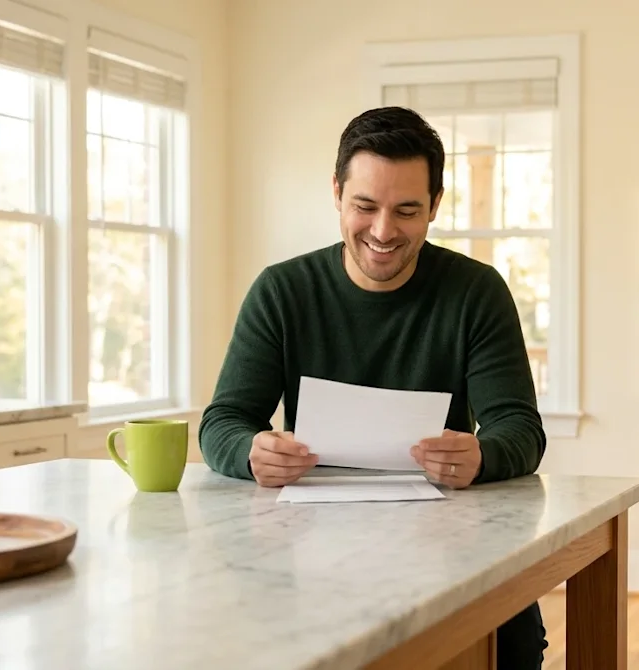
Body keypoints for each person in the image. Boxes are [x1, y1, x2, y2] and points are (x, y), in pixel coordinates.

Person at [198, 106, 549, 667]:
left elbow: (520, 429)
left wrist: (482, 455)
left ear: (435, 205)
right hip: (307, 538)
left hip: (447, 534)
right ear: (337, 193)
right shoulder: (282, 291)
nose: (383, 232)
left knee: (515, 641)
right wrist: (249, 450)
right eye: (365, 206)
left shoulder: (476, 293)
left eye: (407, 210)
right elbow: (223, 421)